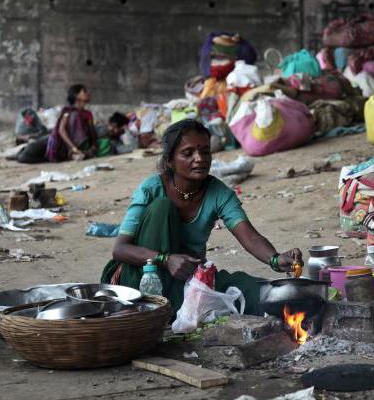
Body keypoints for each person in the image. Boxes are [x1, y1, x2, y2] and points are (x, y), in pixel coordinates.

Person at [100, 119, 303, 314]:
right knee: (162, 208)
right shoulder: (151, 189)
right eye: (188, 153)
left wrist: (275, 259)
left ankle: (177, 306)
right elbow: (120, 249)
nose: (200, 158)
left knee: (260, 292)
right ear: (170, 161)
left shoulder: (219, 193)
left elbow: (249, 236)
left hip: (187, 278)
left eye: (205, 152)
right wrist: (166, 259)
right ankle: (157, 307)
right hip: (140, 280)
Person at [45, 84, 98, 162]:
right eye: (84, 91)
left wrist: (94, 145)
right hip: (69, 145)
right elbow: (61, 130)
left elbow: (92, 131)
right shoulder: (68, 112)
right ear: (76, 96)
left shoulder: (88, 113)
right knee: (75, 115)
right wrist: (74, 148)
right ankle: (73, 153)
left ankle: (84, 152)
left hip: (85, 144)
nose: (88, 93)